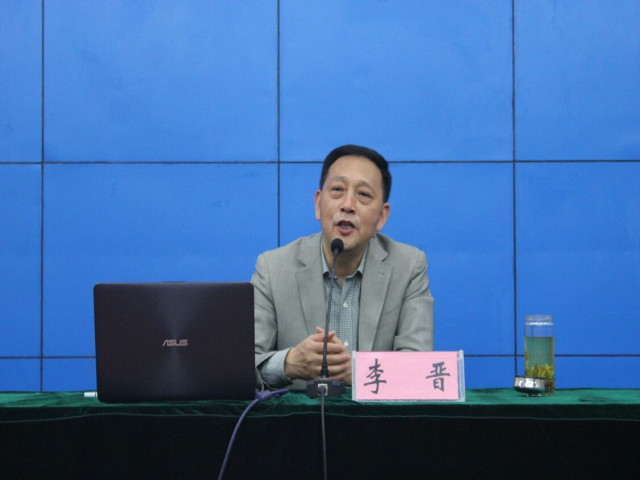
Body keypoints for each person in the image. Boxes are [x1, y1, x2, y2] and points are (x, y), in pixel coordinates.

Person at [252, 144, 434, 390]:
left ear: (381, 216)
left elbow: (420, 368)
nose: (348, 205)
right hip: (300, 415)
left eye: (364, 195)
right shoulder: (273, 268)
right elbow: (243, 366)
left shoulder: (409, 267)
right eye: (337, 190)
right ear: (318, 204)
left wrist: (359, 372)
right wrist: (289, 363)